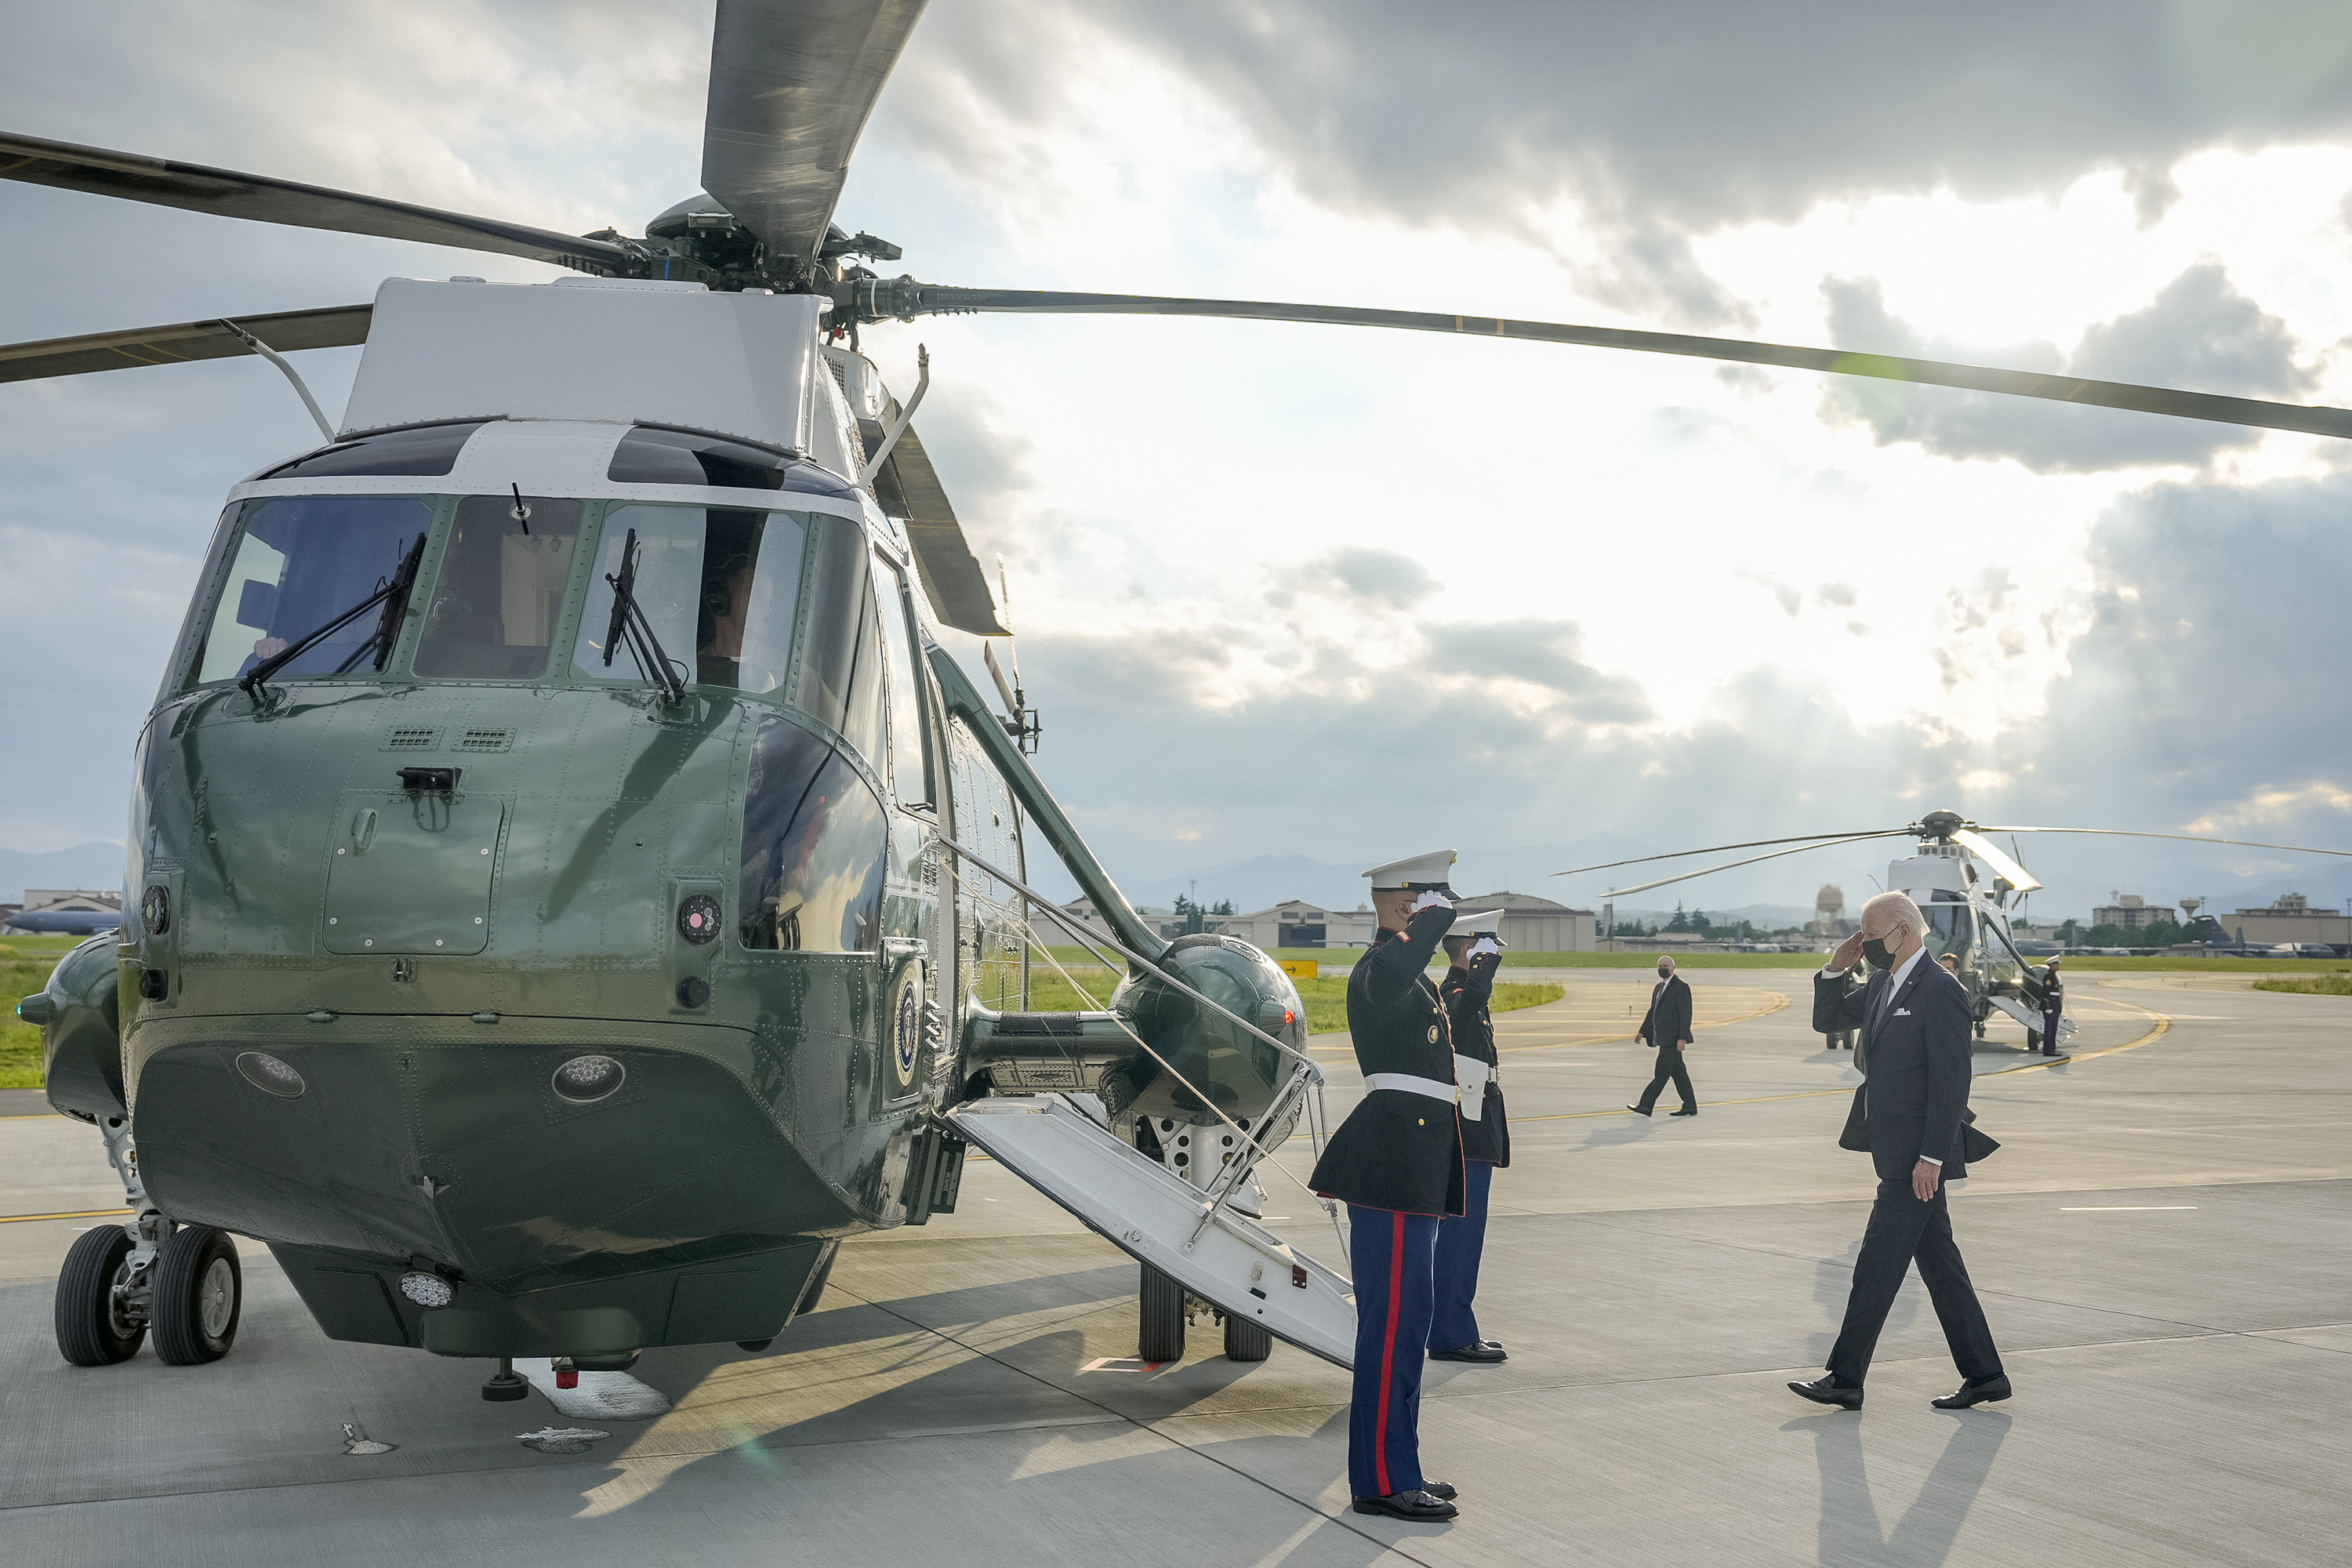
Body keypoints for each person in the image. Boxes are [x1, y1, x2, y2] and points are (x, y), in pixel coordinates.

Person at [1791, 891, 2008, 1412]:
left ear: (1903, 932)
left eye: (1870, 937)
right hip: (1892, 1150)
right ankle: (1985, 1375)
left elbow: (1953, 1081)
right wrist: (1834, 968)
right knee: (1941, 1269)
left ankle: (1845, 1377)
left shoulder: (1940, 989)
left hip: (1916, 1161)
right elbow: (1827, 1022)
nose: (1863, 946)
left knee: (1876, 1266)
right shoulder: (1882, 984)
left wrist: (1932, 1156)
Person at [1308, 850, 1466, 1523]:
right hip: (1394, 1166)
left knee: (1410, 1327)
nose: (1437, 906)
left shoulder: (1415, 978)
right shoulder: (1380, 968)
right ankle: (1380, 1478)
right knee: (1392, 1328)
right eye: (1428, 897)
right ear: (1399, 903)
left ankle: (1401, 1463)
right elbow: (1399, 964)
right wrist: (1429, 927)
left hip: (1414, 1164)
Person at [1430, 909, 1509, 1366]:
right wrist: (1479, 969)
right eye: (1487, 949)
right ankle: (1451, 1333)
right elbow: (1465, 1005)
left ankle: (1452, 1326)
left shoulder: (1462, 993)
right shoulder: (1455, 993)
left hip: (1475, 1124)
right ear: (1470, 950)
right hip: (1468, 1130)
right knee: (1462, 1237)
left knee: (1462, 1236)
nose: (1494, 957)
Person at [1628, 955, 1697, 1116]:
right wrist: (1642, 1031)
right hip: (1663, 1037)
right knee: (1679, 1074)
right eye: (1660, 966)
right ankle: (1690, 1106)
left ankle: (1646, 1105)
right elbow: (1653, 1011)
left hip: (1673, 1039)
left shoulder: (1681, 987)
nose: (1662, 969)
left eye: (1666, 966)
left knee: (1661, 1073)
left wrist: (1682, 1038)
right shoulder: (1659, 987)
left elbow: (1686, 1014)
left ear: (1673, 967)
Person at [2038, 957, 2064, 1058]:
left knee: (2053, 1029)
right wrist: (2048, 1007)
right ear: (2051, 965)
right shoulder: (2048, 977)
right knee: (2049, 1029)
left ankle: (2052, 1048)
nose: (2058, 966)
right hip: (2050, 1007)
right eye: (2056, 964)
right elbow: (2046, 993)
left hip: (2055, 1006)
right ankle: (2048, 1050)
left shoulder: (2053, 976)